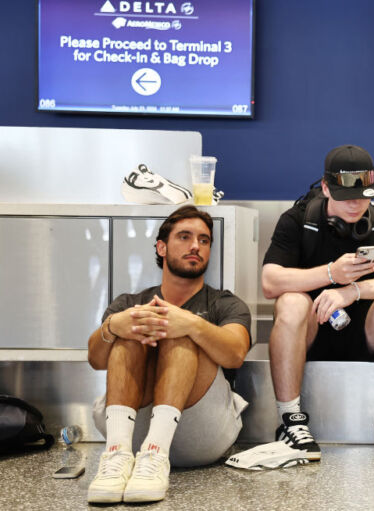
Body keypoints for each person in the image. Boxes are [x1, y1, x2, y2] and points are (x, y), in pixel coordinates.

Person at [262, 144, 374, 461]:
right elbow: (270, 282)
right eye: (346, 197)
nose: (355, 205)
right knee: (291, 302)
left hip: (366, 336)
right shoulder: (297, 221)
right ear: (325, 187)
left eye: (364, 196)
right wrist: (330, 274)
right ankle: (291, 421)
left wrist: (353, 291)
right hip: (308, 334)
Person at [86, 206, 251, 503]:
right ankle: (117, 457)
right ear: (161, 247)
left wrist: (191, 324)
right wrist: (113, 326)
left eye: (204, 240)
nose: (195, 246)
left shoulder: (225, 303)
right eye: (185, 237)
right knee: (132, 326)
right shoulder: (130, 302)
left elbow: (236, 354)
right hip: (133, 431)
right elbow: (96, 360)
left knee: (181, 332)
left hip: (202, 431)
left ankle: (156, 452)